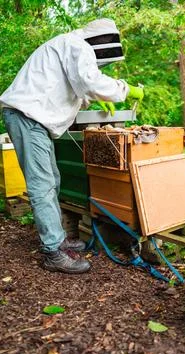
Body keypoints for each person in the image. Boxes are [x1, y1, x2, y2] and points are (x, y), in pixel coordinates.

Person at [0, 18, 144, 274]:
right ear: (102, 42)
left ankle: (57, 238)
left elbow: (75, 86)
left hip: (31, 119)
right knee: (42, 185)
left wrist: (93, 100)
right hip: (27, 118)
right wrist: (125, 89)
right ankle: (53, 252)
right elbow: (89, 81)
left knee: (52, 179)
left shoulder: (68, 46)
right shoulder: (77, 45)